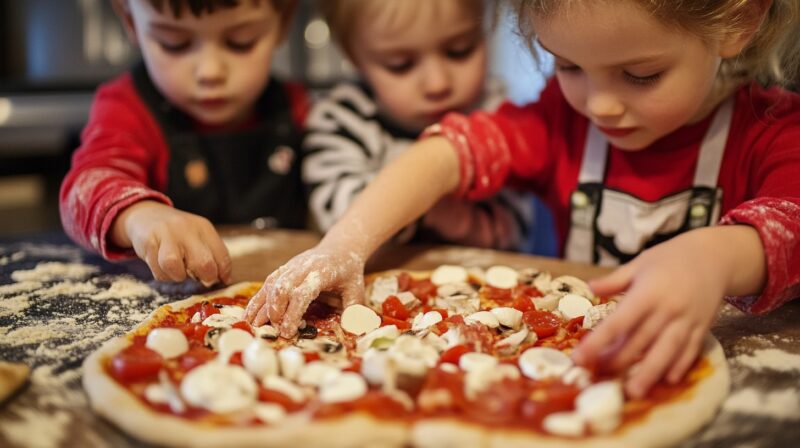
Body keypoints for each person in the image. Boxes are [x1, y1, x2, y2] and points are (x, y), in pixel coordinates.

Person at [245, 0, 800, 398]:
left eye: (640, 74)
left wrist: (712, 260)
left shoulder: (772, 132)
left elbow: (792, 219)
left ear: (739, 20)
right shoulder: (558, 123)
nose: (600, 105)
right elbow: (446, 154)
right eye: (569, 67)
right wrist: (345, 242)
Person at [60, 0, 308, 286]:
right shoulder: (127, 109)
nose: (210, 72)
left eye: (241, 42)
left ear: (284, 20)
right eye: (173, 43)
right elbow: (84, 187)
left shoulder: (302, 110)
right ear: (130, 22)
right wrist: (139, 216)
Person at [302, 0, 534, 249]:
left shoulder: (496, 113)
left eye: (460, 50)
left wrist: (461, 221)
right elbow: (338, 220)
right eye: (400, 64)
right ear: (354, 56)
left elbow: (517, 230)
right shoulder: (341, 118)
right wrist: (424, 205)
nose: (437, 84)